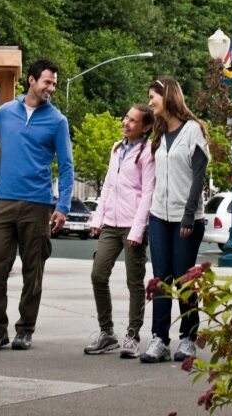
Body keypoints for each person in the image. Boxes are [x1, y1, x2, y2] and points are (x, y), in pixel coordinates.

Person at [0, 58, 74, 352]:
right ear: (31, 80)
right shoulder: (5, 113)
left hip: (38, 204)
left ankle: (25, 330)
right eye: (47, 82)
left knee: (34, 270)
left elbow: (67, 166)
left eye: (54, 84)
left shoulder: (57, 121)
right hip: (3, 201)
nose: (51, 88)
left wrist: (63, 206)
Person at [140, 77, 209, 365]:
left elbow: (199, 175)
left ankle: (188, 338)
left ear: (167, 96)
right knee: (160, 280)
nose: (150, 102)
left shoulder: (193, 130)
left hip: (186, 217)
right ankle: (158, 339)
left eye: (153, 96)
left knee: (183, 280)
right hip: (159, 216)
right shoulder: (157, 134)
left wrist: (188, 214)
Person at [84, 104, 155, 359]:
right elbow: (107, 186)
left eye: (134, 121)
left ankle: (133, 336)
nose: (126, 123)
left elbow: (147, 193)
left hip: (132, 226)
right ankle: (107, 333)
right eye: (126, 117)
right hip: (111, 225)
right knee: (98, 274)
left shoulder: (147, 152)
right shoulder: (116, 148)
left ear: (146, 127)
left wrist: (137, 230)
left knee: (134, 282)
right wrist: (98, 217)